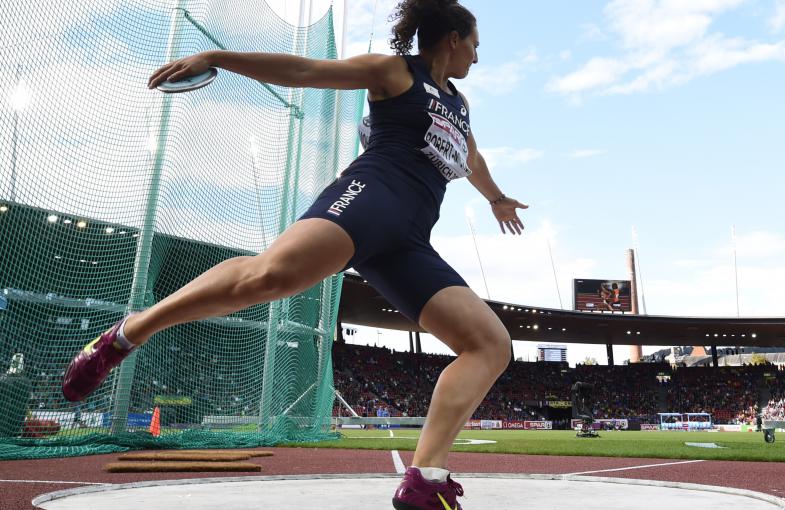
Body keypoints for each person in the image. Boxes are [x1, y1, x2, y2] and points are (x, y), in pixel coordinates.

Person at [62, 1, 525, 508]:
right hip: (371, 197)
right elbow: (307, 71)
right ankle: (128, 332)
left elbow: (471, 159)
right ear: (453, 39)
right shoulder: (394, 72)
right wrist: (219, 56)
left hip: (410, 239)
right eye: (476, 45)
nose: (477, 58)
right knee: (270, 277)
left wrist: (496, 197)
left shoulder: (458, 105)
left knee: (490, 344)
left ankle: (425, 480)